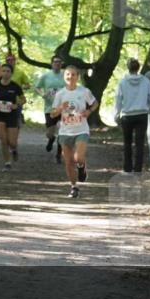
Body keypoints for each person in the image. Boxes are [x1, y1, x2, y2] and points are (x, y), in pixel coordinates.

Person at [50, 64, 99, 199]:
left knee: (78, 158)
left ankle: (82, 167)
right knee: (69, 162)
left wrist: (89, 111)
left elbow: (95, 103)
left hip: (81, 129)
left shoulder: (84, 91)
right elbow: (52, 115)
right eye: (67, 74)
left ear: (77, 77)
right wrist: (60, 108)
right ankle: (74, 187)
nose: (70, 77)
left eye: (73, 74)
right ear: (64, 76)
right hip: (65, 131)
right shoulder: (60, 94)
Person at [114, 58, 150, 174]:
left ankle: (127, 168)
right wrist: (147, 106)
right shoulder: (145, 81)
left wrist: (116, 114)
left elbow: (118, 99)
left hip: (127, 116)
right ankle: (138, 169)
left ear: (128, 68)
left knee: (127, 142)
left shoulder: (122, 82)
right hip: (142, 115)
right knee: (140, 143)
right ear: (138, 68)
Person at [0, 63, 26, 170]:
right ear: (0, 72)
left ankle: (14, 149)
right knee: (3, 140)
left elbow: (23, 99)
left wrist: (16, 105)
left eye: (8, 71)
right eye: (3, 71)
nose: (6, 73)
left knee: (12, 142)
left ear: (11, 74)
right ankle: (7, 163)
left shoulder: (15, 86)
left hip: (11, 114)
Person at [35, 55, 67, 163]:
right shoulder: (46, 76)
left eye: (59, 62)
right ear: (52, 64)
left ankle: (58, 154)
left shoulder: (66, 75)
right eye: (55, 62)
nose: (57, 64)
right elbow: (37, 87)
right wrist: (42, 94)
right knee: (49, 133)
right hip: (50, 108)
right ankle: (51, 139)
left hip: (64, 108)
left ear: (61, 64)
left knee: (63, 132)